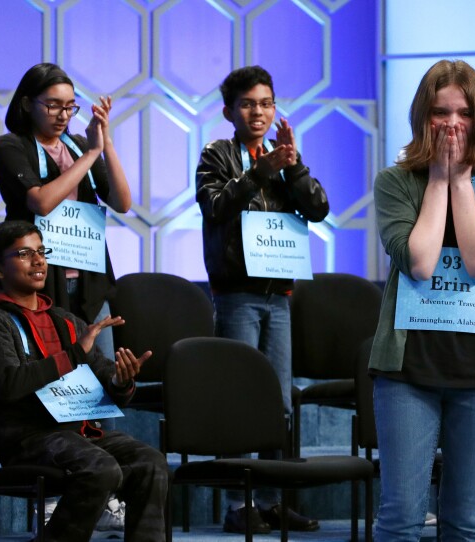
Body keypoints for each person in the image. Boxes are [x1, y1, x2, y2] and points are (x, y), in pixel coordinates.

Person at [369, 59, 475, 541]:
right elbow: (419, 262)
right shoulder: (395, 182)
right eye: (440, 112)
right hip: (408, 367)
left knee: (464, 522)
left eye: (463, 113)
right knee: (400, 520)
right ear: (422, 118)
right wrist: (440, 177)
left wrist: (462, 181)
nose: (452, 123)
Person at [0, 62, 134, 531]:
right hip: (43, 286)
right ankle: (59, 492)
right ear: (27, 103)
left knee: (96, 391)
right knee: (49, 386)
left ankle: (105, 495)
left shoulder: (78, 144)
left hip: (89, 282)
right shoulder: (10, 147)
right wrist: (89, 156)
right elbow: (41, 202)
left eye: (69, 105)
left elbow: (124, 202)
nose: (62, 114)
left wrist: (103, 142)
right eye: (53, 104)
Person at [195, 65, 328, 534]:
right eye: (249, 104)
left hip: (279, 295)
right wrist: (257, 173)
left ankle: (271, 500)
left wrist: (293, 166)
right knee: (239, 400)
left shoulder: (283, 155)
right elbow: (215, 206)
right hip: (237, 295)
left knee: (279, 403)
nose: (259, 111)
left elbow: (318, 207)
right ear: (230, 111)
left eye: (266, 103)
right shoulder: (217, 154)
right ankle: (237, 504)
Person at [0, 220, 167, 542]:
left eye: (42, 252)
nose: (39, 261)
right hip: (27, 437)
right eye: (25, 253)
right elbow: (9, 383)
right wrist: (73, 356)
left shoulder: (65, 321)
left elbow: (107, 385)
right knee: (101, 468)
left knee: (150, 461)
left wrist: (121, 382)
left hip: (78, 433)